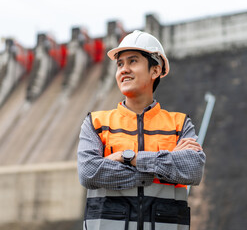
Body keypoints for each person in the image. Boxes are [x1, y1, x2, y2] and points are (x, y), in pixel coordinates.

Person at [77, 30, 206, 230]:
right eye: (120, 64)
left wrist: (126, 157)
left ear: (155, 70)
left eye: (133, 61)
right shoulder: (96, 123)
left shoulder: (179, 125)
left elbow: (193, 170)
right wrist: (165, 164)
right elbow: (89, 173)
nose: (124, 70)